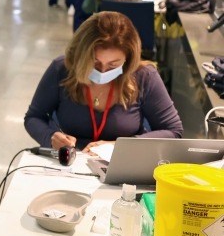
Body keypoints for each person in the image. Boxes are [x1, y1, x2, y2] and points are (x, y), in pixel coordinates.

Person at [24, 11, 182, 153]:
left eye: (113, 65)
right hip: (72, 161)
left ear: (128, 60)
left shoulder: (144, 77)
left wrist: (120, 146)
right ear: (80, 55)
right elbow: (33, 117)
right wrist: (50, 137)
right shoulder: (62, 69)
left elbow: (174, 131)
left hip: (124, 160)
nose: (103, 71)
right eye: (94, 63)